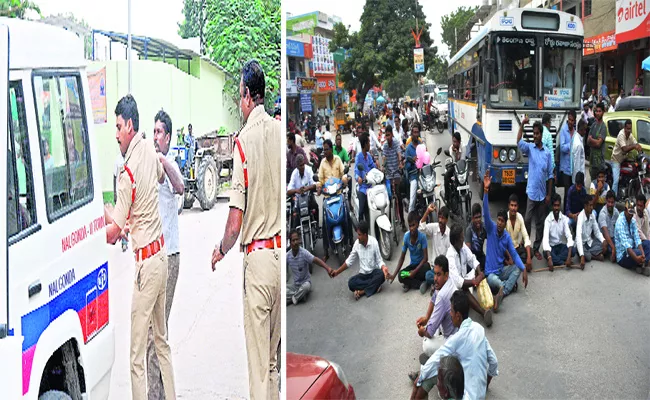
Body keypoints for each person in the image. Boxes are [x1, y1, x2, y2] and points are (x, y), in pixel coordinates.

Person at [211, 60, 281, 400]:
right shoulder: (281, 132)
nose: (239, 104)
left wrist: (221, 249)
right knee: (271, 365)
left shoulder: (244, 141)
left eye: (240, 97)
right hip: (282, 257)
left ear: (248, 97)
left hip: (259, 263)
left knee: (257, 370)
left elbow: (235, 221)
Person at [103, 95, 176, 400]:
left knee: (135, 355)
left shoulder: (126, 171)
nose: (116, 133)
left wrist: (98, 219)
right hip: (162, 257)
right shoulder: (149, 149)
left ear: (129, 125)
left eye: (118, 126)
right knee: (161, 342)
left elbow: (113, 232)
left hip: (147, 266)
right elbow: (157, 179)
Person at [147, 109, 185, 399]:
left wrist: (161, 160)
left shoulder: (169, 163)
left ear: (168, 137)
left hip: (169, 257)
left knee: (156, 334)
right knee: (153, 334)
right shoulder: (149, 163)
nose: (156, 136)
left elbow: (181, 187)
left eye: (160, 132)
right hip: (151, 258)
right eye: (154, 132)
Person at [412, 290, 498, 400]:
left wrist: (420, 378)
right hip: (480, 396)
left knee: (431, 374)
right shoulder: (479, 329)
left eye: (451, 311)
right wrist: (485, 385)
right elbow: (494, 361)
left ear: (458, 315)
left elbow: (438, 357)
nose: (450, 314)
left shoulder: (458, 338)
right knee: (443, 365)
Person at [482, 170, 528, 311]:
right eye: (499, 220)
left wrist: (524, 268)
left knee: (517, 268)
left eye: (503, 221)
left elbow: (513, 254)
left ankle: (502, 292)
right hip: (490, 274)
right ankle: (505, 287)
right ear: (497, 221)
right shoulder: (491, 228)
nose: (501, 223)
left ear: (505, 222)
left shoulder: (506, 237)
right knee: (493, 280)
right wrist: (486, 190)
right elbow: (485, 211)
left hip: (501, 270)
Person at [518, 117, 553, 260]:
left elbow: (550, 175)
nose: (535, 136)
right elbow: (518, 141)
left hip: (542, 194)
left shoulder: (547, 154)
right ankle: (525, 243)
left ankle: (536, 248)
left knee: (540, 223)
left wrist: (549, 194)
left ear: (541, 134)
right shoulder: (530, 148)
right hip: (531, 193)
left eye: (538, 133)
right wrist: (521, 125)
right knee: (526, 219)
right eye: (534, 133)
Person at [446, 224, 492, 327]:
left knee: (480, 272)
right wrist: (475, 282)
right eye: (461, 237)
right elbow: (458, 282)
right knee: (464, 292)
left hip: (464, 278)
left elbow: (472, 259)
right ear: (455, 241)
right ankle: (483, 312)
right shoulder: (450, 256)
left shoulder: (462, 247)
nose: (463, 239)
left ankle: (482, 301)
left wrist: (479, 272)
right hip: (454, 289)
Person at [330, 220, 391, 299]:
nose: (357, 237)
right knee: (351, 283)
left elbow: (379, 261)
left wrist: (384, 268)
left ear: (365, 235)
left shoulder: (374, 242)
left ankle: (362, 291)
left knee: (381, 275)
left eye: (359, 235)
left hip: (373, 272)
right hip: (363, 275)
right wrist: (337, 272)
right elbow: (349, 262)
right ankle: (374, 286)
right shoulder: (357, 244)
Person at [414, 255, 458, 359]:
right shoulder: (446, 281)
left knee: (426, 344)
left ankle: (439, 360)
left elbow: (429, 333)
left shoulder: (443, 296)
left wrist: (421, 332)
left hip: (451, 338)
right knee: (433, 322)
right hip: (451, 327)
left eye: (438, 274)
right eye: (435, 273)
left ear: (446, 275)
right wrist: (426, 317)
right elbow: (434, 298)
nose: (435, 278)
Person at [286, 230, 333, 305]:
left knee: (306, 287)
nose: (295, 242)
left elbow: (316, 260)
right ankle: (299, 296)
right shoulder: (287, 256)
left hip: (305, 283)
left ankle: (294, 298)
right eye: (293, 240)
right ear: (290, 242)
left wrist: (328, 268)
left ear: (300, 240)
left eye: (297, 239)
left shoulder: (304, 253)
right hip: (296, 286)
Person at [391, 211, 431, 293]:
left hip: (421, 267)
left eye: (413, 225)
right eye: (410, 226)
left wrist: (414, 272)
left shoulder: (422, 237)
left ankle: (410, 283)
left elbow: (425, 258)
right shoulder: (406, 237)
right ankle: (421, 284)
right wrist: (393, 275)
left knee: (427, 267)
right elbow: (402, 258)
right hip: (412, 267)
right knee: (401, 275)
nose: (412, 228)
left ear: (417, 224)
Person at [614, 199, 650, 276]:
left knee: (648, 244)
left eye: (632, 213)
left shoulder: (632, 220)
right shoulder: (620, 222)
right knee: (638, 253)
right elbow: (626, 245)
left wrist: (643, 254)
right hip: (623, 255)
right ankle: (643, 263)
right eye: (629, 213)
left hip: (633, 248)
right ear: (625, 210)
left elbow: (637, 238)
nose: (631, 215)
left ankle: (642, 263)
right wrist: (636, 258)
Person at [542, 193, 575, 271]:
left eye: (558, 205)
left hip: (560, 246)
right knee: (545, 253)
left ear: (560, 206)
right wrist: (549, 257)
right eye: (555, 205)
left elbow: (569, 236)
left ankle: (556, 260)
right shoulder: (548, 220)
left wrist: (569, 255)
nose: (556, 208)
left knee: (573, 250)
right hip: (551, 248)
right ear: (552, 206)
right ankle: (562, 262)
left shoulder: (563, 218)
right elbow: (545, 240)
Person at [611, 119, 642, 197]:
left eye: (630, 129)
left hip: (624, 159)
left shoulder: (630, 135)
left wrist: (640, 149)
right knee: (616, 180)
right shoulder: (621, 135)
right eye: (627, 129)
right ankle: (612, 198)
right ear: (624, 128)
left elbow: (636, 143)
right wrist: (634, 146)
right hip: (616, 160)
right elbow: (624, 149)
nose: (629, 130)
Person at [287, 154, 318, 230]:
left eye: (303, 164)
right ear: (297, 166)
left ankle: (317, 227)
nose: (302, 167)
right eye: (300, 165)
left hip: (308, 197)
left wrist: (307, 188)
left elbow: (315, 184)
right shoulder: (294, 174)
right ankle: (294, 234)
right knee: (294, 219)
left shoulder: (309, 170)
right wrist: (296, 190)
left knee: (316, 207)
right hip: (298, 200)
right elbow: (288, 191)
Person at [575, 194, 607, 269]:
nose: (592, 208)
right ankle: (593, 257)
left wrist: (603, 240)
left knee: (604, 245)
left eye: (592, 205)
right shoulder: (580, 218)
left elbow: (597, 231)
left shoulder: (592, 215)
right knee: (581, 251)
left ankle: (589, 255)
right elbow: (578, 238)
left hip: (589, 243)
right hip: (581, 244)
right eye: (590, 205)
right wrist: (582, 255)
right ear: (585, 206)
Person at [382, 125, 405, 229]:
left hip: (396, 172)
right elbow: (384, 157)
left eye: (389, 135)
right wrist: (383, 166)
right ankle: (390, 219)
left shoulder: (396, 142)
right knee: (390, 198)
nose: (387, 137)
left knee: (399, 197)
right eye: (386, 135)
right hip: (388, 173)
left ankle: (403, 222)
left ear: (392, 134)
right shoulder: (385, 146)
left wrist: (400, 163)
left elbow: (399, 154)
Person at [505, 194, 533, 272]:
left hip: (516, 249)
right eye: (512, 205)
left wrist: (529, 258)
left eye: (515, 206)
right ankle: (516, 263)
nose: (513, 208)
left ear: (518, 207)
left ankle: (515, 263)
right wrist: (510, 257)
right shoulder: (505, 218)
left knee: (530, 252)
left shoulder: (519, 217)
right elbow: (502, 242)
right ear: (508, 206)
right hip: (507, 251)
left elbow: (526, 236)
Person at [355, 134, 377, 223]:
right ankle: (360, 226)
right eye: (368, 142)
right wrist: (359, 178)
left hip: (371, 186)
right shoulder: (358, 157)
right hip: (363, 188)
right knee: (361, 210)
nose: (369, 144)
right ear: (364, 144)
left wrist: (378, 168)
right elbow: (356, 172)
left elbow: (373, 167)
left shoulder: (368, 155)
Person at [405, 122, 423, 212]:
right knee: (412, 199)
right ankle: (410, 214)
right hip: (414, 177)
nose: (416, 134)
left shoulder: (421, 145)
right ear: (412, 134)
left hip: (422, 175)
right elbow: (407, 167)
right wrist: (412, 161)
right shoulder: (408, 148)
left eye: (417, 132)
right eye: (414, 132)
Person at [587, 102, 607, 181]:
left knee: (599, 185)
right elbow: (588, 142)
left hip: (599, 163)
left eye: (599, 111)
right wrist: (593, 141)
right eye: (596, 111)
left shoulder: (603, 127)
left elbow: (599, 144)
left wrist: (592, 140)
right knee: (592, 185)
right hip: (592, 161)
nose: (598, 113)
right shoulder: (593, 125)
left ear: (603, 112)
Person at [599, 190, 619, 262]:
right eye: (609, 202)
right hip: (605, 239)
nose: (610, 204)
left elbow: (618, 228)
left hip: (613, 238)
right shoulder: (602, 213)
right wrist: (613, 248)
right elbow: (605, 233)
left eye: (612, 202)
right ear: (606, 201)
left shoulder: (616, 212)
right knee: (612, 250)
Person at [444, 131, 464, 204]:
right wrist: (455, 153)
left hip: (461, 167)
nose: (454, 143)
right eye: (453, 141)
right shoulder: (451, 148)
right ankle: (447, 197)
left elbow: (462, 160)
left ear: (459, 141)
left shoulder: (463, 147)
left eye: (455, 142)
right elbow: (454, 161)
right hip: (454, 166)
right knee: (446, 176)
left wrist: (459, 152)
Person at [466, 203, 487, 268]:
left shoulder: (484, 227)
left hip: (481, 256)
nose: (478, 220)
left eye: (479, 217)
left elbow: (492, 240)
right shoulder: (469, 230)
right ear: (472, 218)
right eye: (476, 218)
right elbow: (468, 252)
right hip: (472, 260)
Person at [558, 110, 576, 189]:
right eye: (569, 119)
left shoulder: (575, 132)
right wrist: (571, 145)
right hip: (565, 168)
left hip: (573, 167)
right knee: (567, 190)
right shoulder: (563, 131)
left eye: (572, 120)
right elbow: (562, 148)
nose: (570, 122)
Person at [571, 119, 587, 185]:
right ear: (581, 129)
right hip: (579, 179)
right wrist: (578, 182)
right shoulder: (578, 144)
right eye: (585, 130)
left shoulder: (575, 137)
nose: (585, 132)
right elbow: (577, 164)